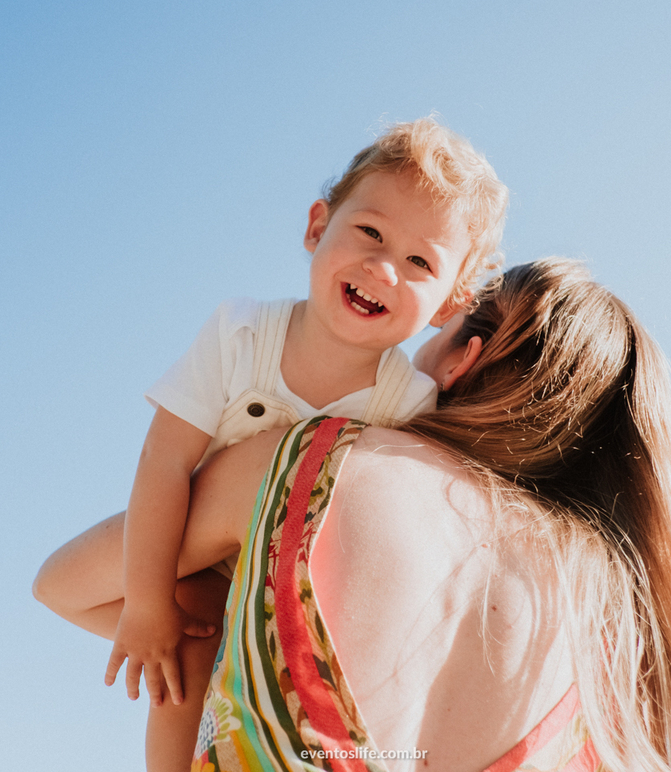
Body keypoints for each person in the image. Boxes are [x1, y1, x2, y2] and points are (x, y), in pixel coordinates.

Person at [172, 258, 671, 771]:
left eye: (436, 334)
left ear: (463, 358)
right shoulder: (627, 631)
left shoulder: (302, 458)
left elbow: (71, 583)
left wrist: (213, 600)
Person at [33, 118, 508, 769]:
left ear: (448, 304)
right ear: (318, 226)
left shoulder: (405, 407)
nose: (383, 267)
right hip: (188, 548)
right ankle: (206, 647)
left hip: (284, 586)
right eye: (369, 231)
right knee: (63, 587)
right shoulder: (242, 334)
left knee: (192, 660)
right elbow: (165, 460)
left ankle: (234, 679)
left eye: (418, 262)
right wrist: (147, 606)